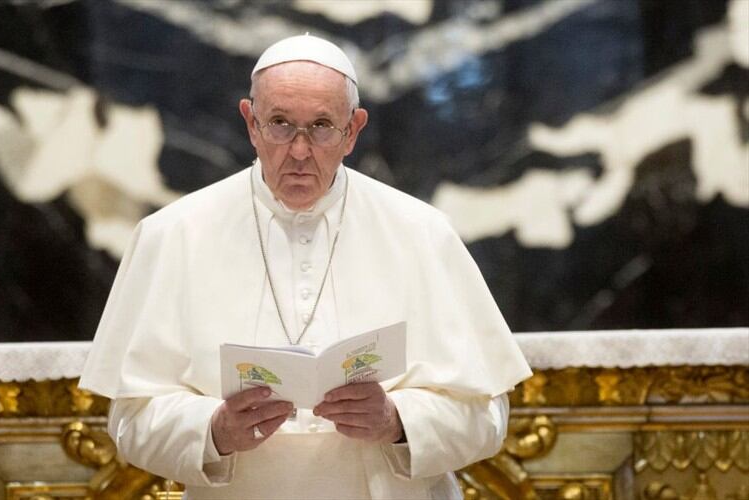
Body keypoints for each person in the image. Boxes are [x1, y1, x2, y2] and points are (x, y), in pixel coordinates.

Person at [80, 34, 532, 500]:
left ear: (353, 130)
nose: (299, 151)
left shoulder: (422, 232)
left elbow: (488, 417)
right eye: (279, 123)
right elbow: (129, 421)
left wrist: (397, 421)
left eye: (321, 126)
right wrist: (214, 430)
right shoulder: (172, 234)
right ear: (250, 123)